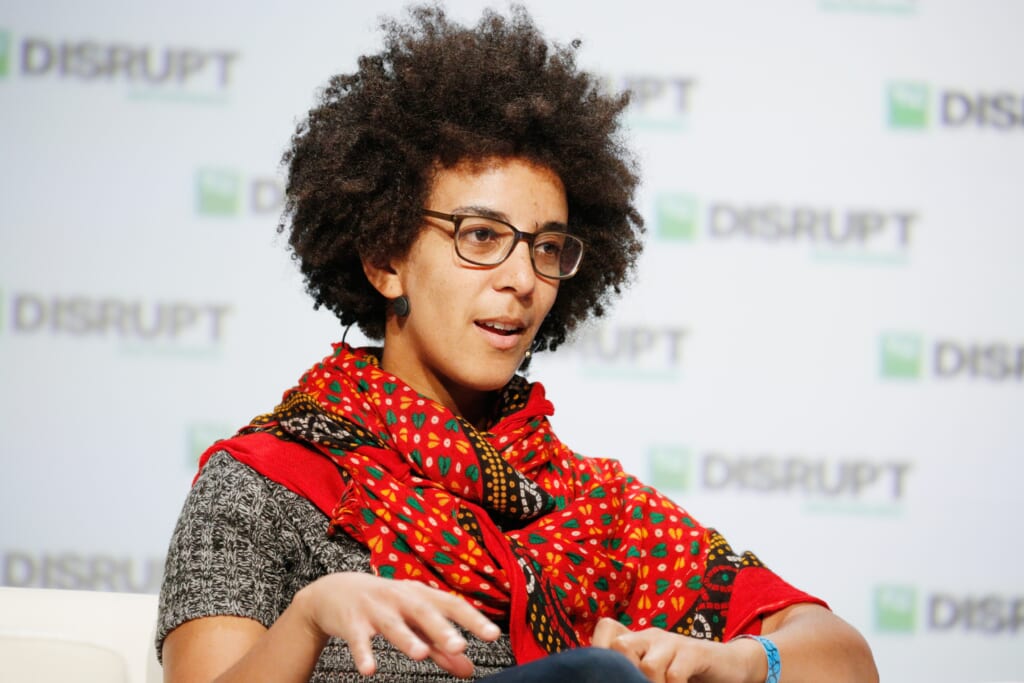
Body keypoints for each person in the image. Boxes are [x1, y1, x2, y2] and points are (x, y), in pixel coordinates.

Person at [157, 5, 879, 682]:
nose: (522, 280)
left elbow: (842, 657)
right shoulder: (266, 484)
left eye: (547, 247)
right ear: (384, 258)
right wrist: (309, 617)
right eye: (480, 236)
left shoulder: (594, 508)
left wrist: (744, 662)